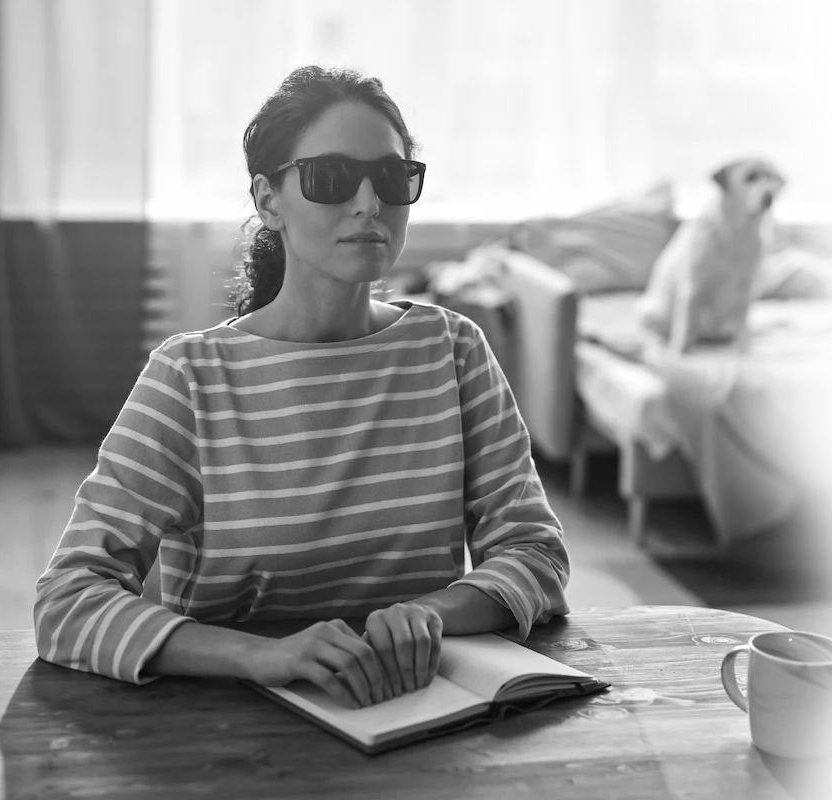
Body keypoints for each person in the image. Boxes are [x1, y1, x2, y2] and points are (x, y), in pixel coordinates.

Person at [34, 65, 570, 711]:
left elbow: (534, 551)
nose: (369, 203)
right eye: (331, 177)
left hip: (416, 714)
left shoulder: (452, 350)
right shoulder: (190, 378)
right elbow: (68, 600)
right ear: (268, 201)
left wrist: (428, 613)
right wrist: (261, 657)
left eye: (391, 177)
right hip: (231, 725)